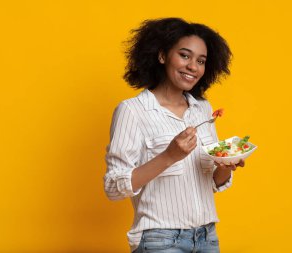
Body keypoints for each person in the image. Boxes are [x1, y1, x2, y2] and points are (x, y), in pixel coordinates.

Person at [104, 17, 245, 253]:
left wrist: (225, 165)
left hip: (207, 236)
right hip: (160, 240)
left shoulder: (202, 109)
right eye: (185, 55)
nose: (193, 66)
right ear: (162, 56)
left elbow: (211, 182)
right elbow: (113, 187)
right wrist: (169, 156)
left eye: (201, 61)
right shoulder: (132, 111)